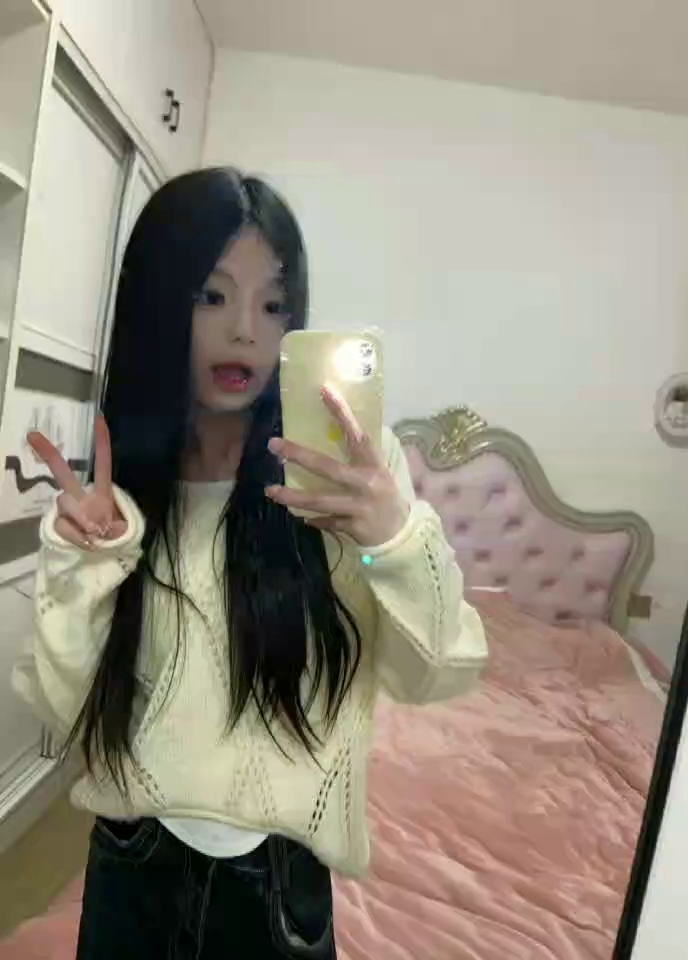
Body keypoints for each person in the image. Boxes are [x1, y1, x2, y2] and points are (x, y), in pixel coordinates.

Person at [13, 168, 488, 959]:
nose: (245, 333)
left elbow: (437, 673)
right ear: (161, 304)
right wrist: (84, 566)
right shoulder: (124, 492)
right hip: (131, 864)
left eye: (274, 306)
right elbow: (72, 714)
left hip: (276, 889)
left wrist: (394, 540)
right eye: (212, 296)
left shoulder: (347, 485)